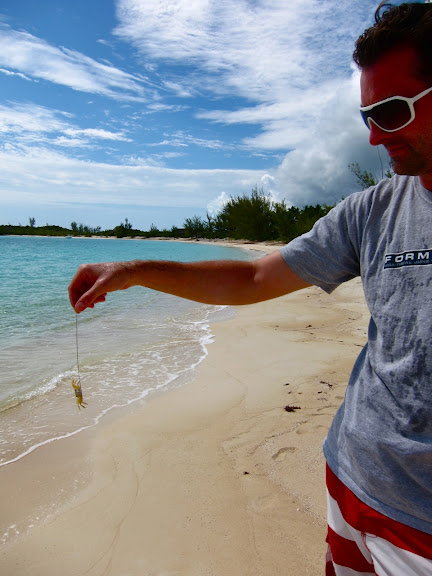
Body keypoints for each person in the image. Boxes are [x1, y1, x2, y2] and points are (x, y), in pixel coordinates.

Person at [68, 2, 432, 574]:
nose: (371, 135)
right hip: (351, 481)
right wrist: (135, 271)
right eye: (367, 113)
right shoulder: (373, 210)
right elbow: (256, 276)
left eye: (390, 112)